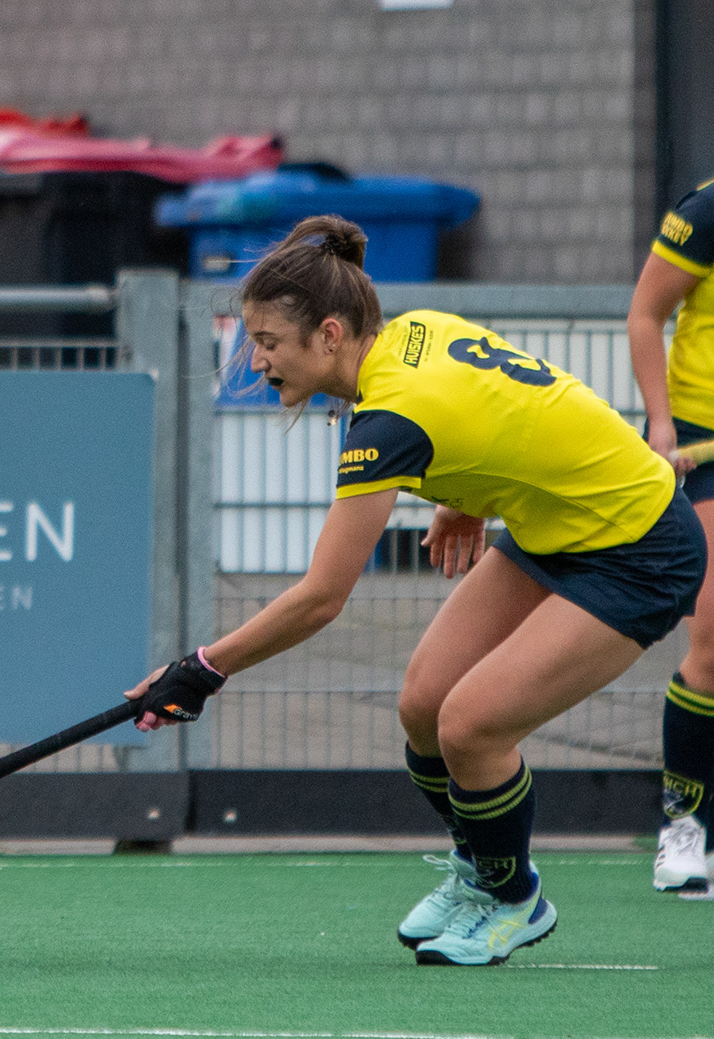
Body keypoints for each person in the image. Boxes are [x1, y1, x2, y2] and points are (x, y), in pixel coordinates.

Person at [129, 215, 703, 966]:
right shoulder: (417, 328)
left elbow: (322, 597)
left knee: (470, 726)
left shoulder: (386, 422)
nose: (256, 361)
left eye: (267, 342)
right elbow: (507, 410)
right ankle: (481, 868)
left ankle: (512, 897)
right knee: (423, 705)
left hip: (641, 550)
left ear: (329, 334)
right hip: (554, 527)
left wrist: (203, 669)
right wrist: (466, 494)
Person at [626, 176, 714, 893]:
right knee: (713, 641)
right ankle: (685, 827)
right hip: (704, 445)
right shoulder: (707, 209)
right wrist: (660, 425)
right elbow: (645, 314)